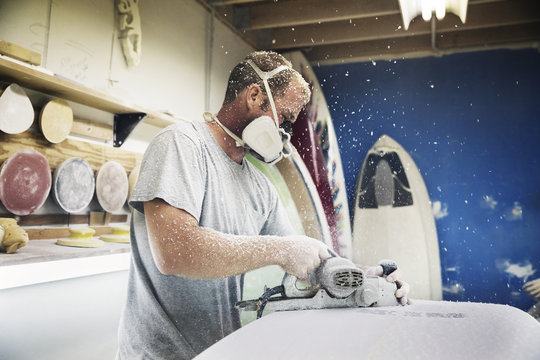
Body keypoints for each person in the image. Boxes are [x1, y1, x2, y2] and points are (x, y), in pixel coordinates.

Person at [117, 50, 409, 359]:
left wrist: (372, 278)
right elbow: (174, 251)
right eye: (284, 119)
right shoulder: (181, 145)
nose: (285, 135)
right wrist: (281, 250)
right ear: (255, 95)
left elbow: (310, 261)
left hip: (216, 352)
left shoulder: (260, 188)